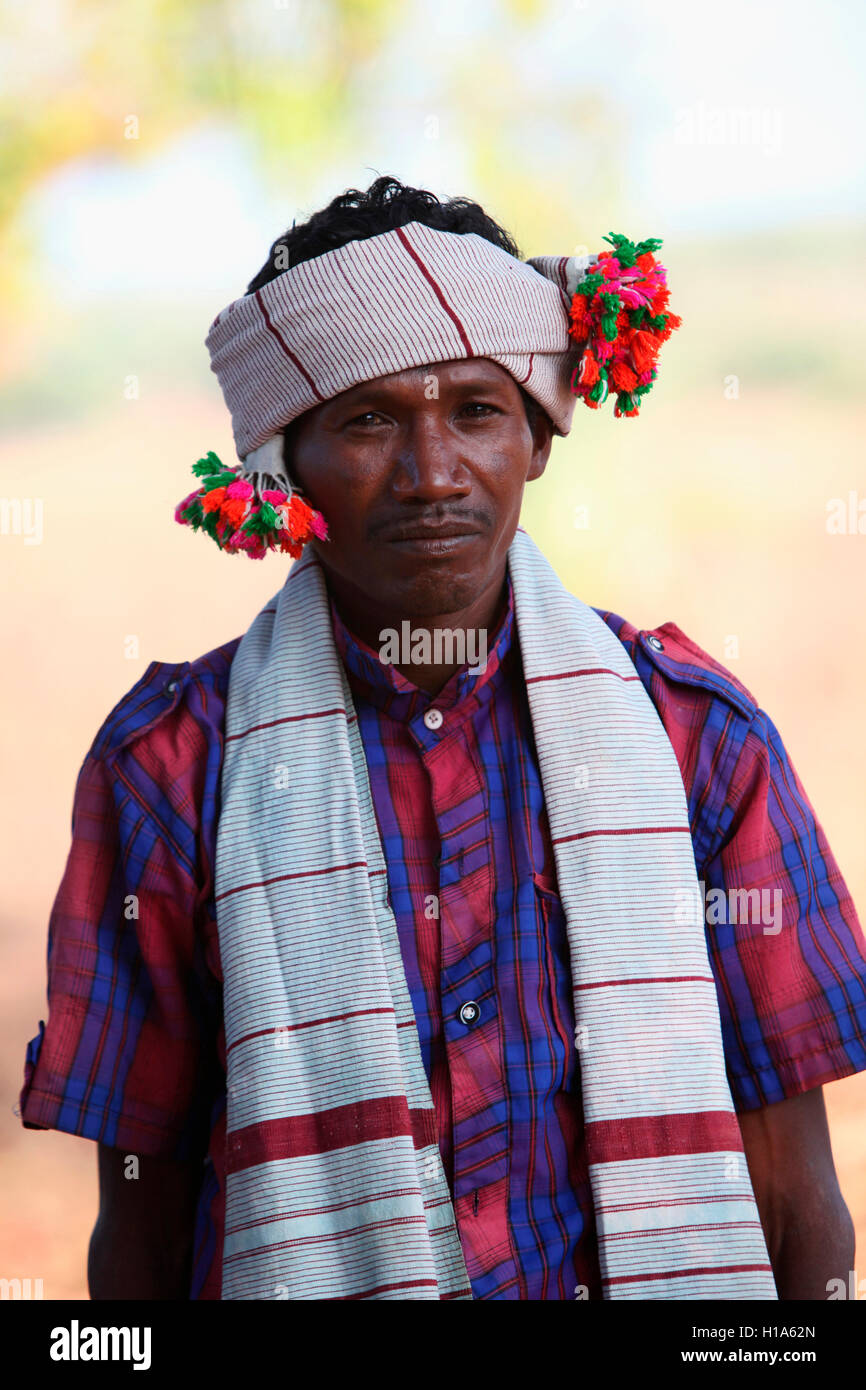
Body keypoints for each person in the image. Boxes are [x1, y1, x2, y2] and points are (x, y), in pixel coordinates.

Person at [19, 176, 866, 1302]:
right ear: (289, 467)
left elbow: (792, 1197)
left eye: (474, 408)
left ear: (536, 439)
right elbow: (142, 1217)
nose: (431, 474)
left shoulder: (692, 739)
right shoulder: (172, 769)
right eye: (367, 419)